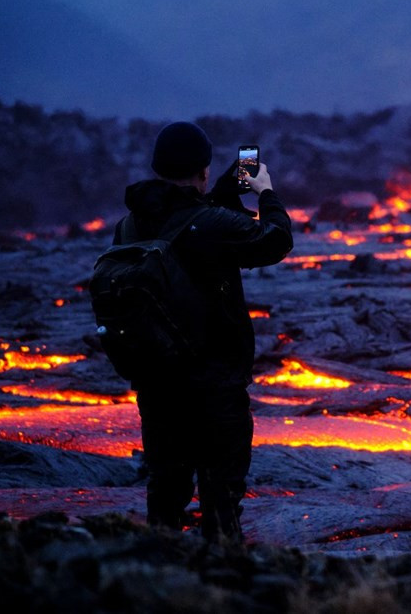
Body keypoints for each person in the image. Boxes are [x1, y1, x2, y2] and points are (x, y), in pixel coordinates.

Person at [113, 121, 293, 541]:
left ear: (157, 168)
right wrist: (265, 191)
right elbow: (276, 241)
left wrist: (221, 201)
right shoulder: (210, 223)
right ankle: (223, 588)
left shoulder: (129, 225)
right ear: (204, 170)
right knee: (221, 500)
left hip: (157, 383)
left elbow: (187, 231)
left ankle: (157, 582)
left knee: (165, 493)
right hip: (215, 386)